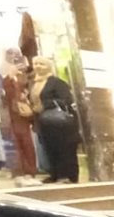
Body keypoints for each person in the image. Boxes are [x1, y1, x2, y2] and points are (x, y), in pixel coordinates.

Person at [30, 56, 81, 184]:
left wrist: (45, 104)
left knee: (64, 148)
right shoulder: (35, 84)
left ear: (48, 66)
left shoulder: (57, 83)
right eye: (35, 64)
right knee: (49, 147)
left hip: (59, 122)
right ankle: (55, 174)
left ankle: (68, 175)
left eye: (41, 64)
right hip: (44, 122)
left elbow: (66, 100)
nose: (37, 66)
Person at [0, 48, 38, 185]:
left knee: (26, 142)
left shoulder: (23, 78)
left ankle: (29, 172)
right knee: (15, 143)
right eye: (10, 55)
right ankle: (19, 172)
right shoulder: (6, 79)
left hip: (21, 115)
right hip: (11, 115)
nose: (14, 59)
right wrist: (10, 77)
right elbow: (6, 96)